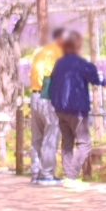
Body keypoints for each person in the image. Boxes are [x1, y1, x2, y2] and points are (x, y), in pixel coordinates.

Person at [42, 29, 106, 184]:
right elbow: (100, 79)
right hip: (76, 109)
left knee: (67, 143)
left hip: (60, 109)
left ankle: (67, 176)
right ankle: (71, 176)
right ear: (76, 46)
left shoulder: (59, 63)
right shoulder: (81, 63)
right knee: (84, 143)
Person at [26, 26, 64, 184]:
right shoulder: (59, 53)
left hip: (35, 96)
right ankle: (46, 174)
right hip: (48, 96)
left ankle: (35, 172)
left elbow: (32, 74)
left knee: (37, 137)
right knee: (51, 135)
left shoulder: (39, 51)